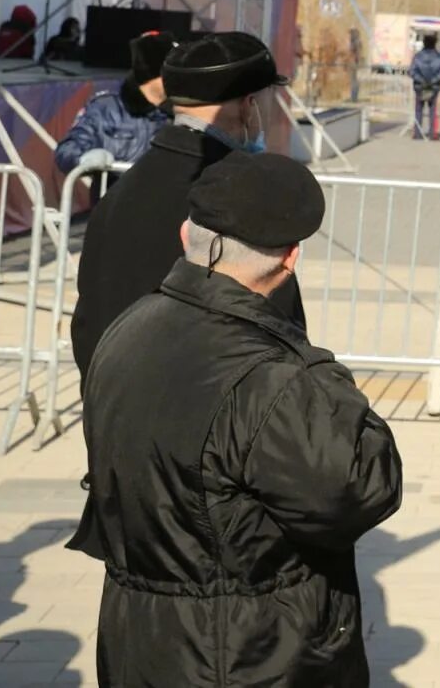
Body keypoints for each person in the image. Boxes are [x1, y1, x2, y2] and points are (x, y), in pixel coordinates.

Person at [70, 153, 402, 685]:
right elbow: (363, 487)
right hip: (247, 652)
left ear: (186, 235)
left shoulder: (127, 329)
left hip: (142, 642)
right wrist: (323, 372)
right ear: (290, 259)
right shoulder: (275, 379)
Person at [70, 32, 303, 382]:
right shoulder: (243, 199)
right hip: (205, 420)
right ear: (247, 105)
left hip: (115, 411)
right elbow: (277, 333)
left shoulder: (122, 191)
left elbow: (89, 318)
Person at [53, 31, 174, 176]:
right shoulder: (106, 109)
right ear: (156, 75)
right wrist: (83, 160)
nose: (179, 80)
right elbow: (66, 151)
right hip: (113, 196)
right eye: (173, 73)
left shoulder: (180, 114)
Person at [409, 32, 440, 140]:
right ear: (435, 43)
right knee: (432, 111)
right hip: (434, 88)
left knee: (418, 110)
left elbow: (412, 71)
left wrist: (421, 81)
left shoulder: (418, 56)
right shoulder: (439, 57)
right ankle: (432, 134)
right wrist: (433, 81)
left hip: (419, 87)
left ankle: (417, 133)